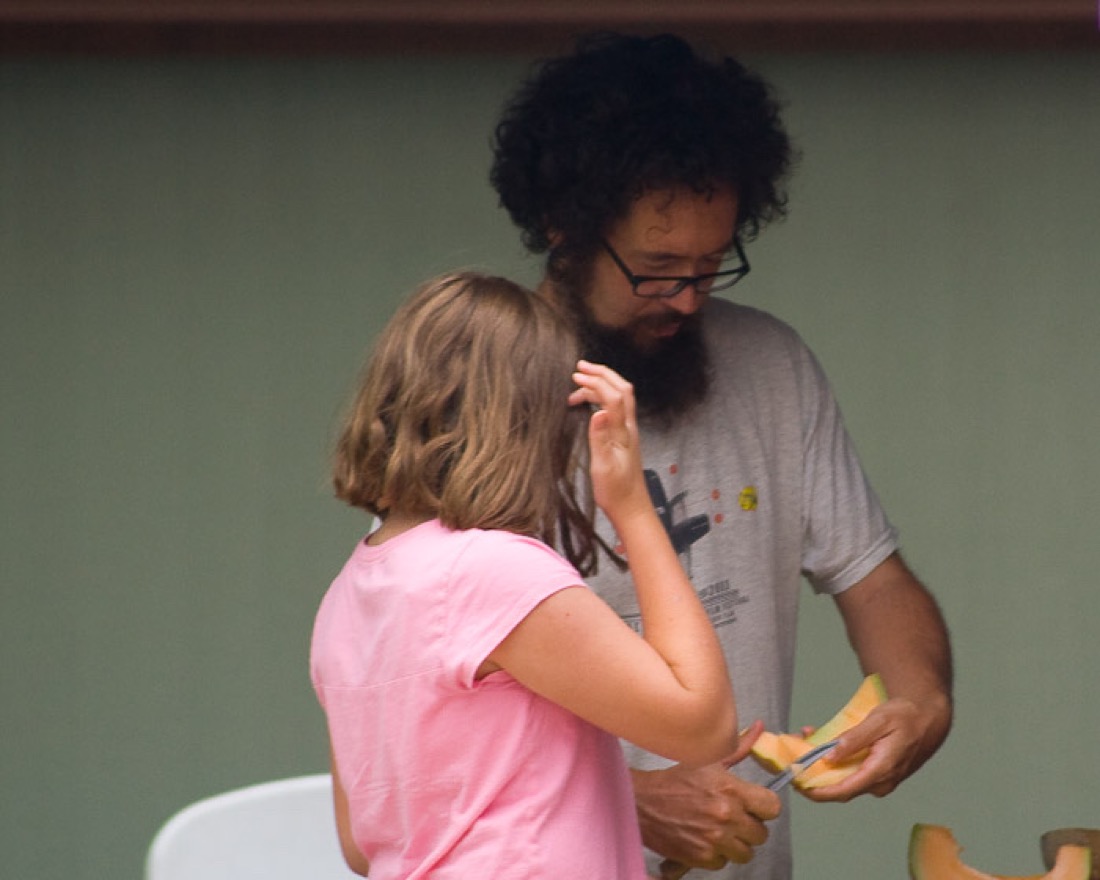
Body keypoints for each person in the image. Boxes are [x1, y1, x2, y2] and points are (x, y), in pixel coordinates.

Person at [490, 32, 954, 880]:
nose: (688, 298)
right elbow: (411, 719)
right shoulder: (474, 396)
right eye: (658, 268)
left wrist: (921, 700)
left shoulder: (772, 368)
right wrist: (624, 798)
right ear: (563, 227)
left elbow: (876, 580)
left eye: (712, 265)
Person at [310, 271, 745, 879]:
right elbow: (704, 727)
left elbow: (361, 844)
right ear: (531, 425)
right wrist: (632, 506)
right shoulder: (491, 569)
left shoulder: (345, 599)